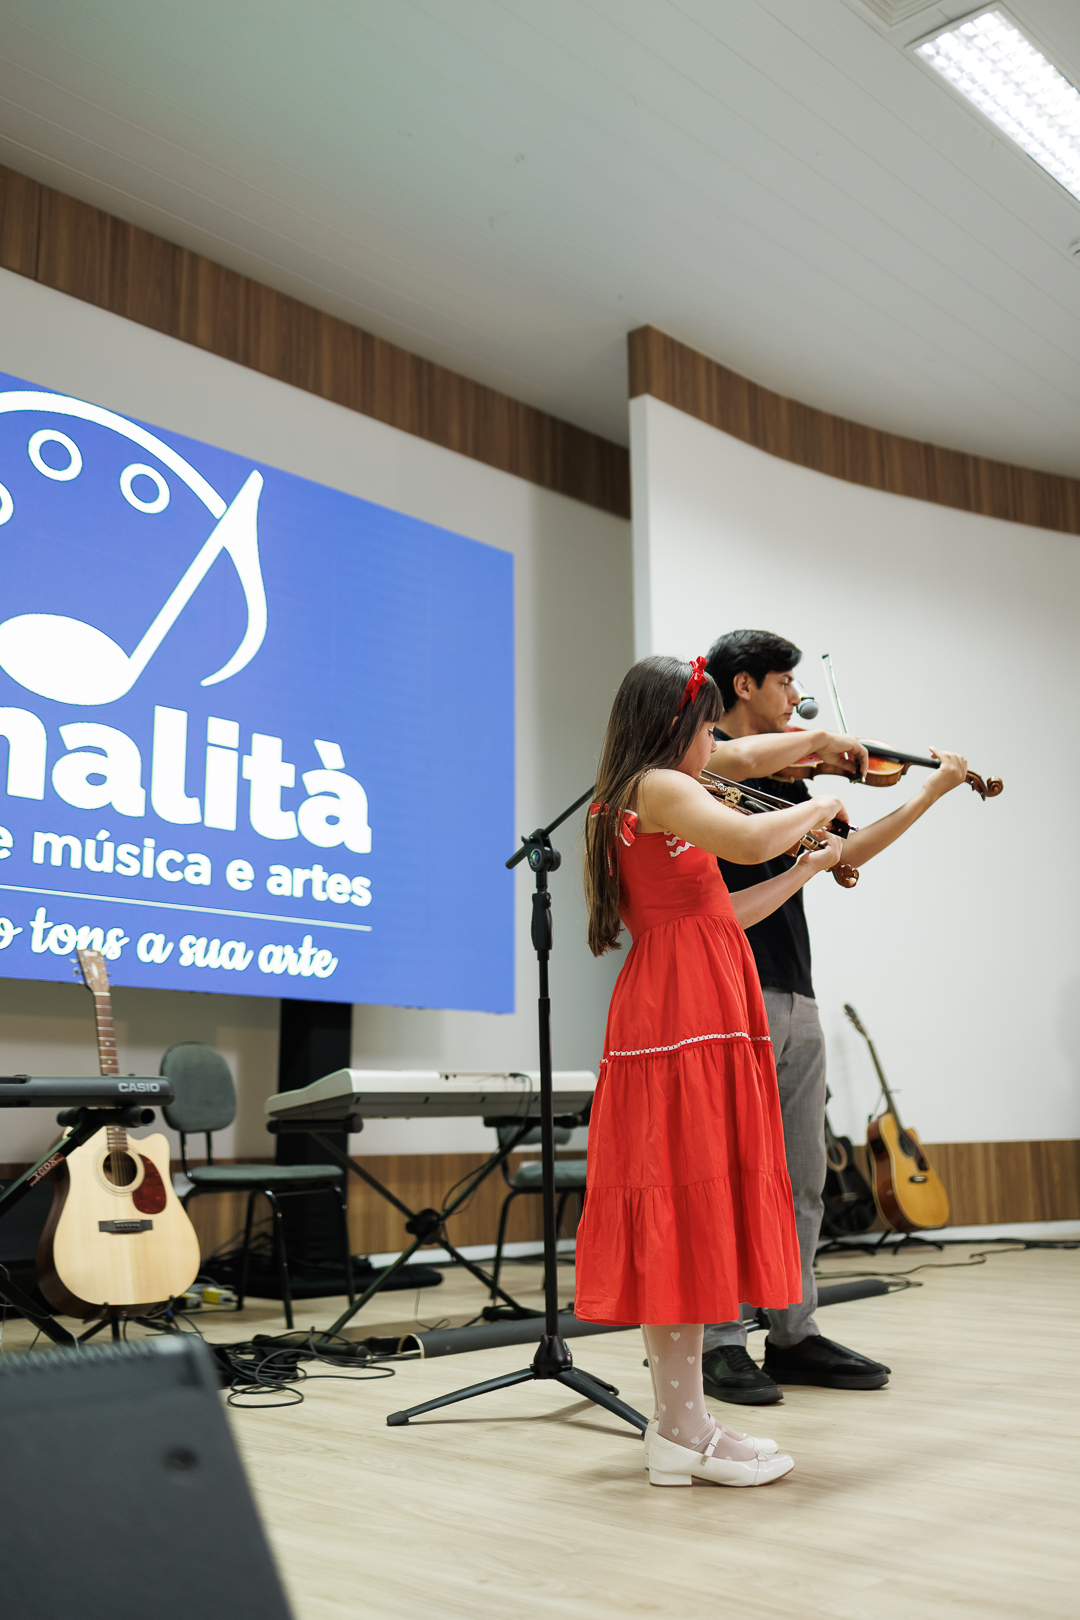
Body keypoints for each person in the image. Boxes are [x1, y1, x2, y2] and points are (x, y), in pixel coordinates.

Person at [574, 653, 852, 1488]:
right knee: (683, 1202)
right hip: (683, 1014)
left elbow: (717, 912)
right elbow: (746, 835)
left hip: (691, 997)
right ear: (675, 727)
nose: (714, 747)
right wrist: (822, 803)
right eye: (705, 731)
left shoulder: (643, 791)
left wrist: (804, 868)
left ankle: (681, 1423)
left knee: (688, 1212)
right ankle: (680, 1427)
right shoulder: (658, 785)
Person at [700, 629, 970, 1405]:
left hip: (796, 991)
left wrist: (928, 794)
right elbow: (733, 773)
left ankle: (794, 1332)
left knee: (802, 1177)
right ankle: (719, 1342)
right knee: (730, 1177)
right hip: (725, 990)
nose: (797, 699)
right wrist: (819, 750)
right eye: (785, 683)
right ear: (745, 684)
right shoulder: (701, 765)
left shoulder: (789, 783)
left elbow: (848, 853)